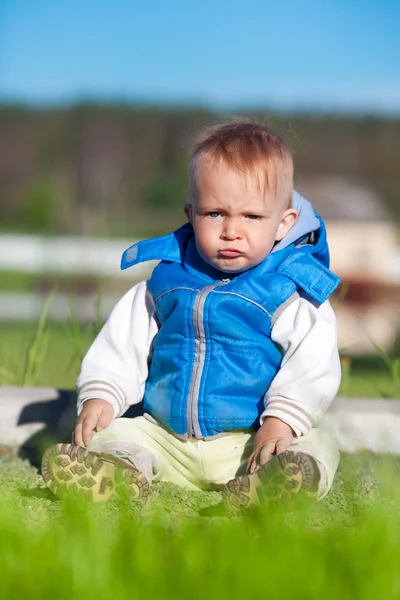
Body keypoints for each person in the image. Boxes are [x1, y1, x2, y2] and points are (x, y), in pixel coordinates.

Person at [42, 120, 341, 515]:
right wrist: (103, 392)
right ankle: (119, 473)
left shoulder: (290, 292)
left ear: (283, 223)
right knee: (116, 432)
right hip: (166, 438)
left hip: (250, 441)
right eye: (215, 213)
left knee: (318, 443)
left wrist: (282, 420)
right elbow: (122, 344)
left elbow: (313, 363)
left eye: (252, 217)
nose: (231, 231)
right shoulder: (166, 282)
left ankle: (272, 485)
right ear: (191, 213)